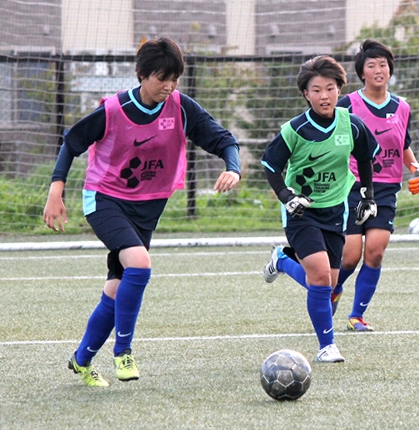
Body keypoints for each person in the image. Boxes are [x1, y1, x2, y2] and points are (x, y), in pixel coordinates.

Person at [43, 37, 241, 387]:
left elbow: (223, 139)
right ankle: (123, 352)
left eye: (175, 78)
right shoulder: (113, 109)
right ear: (142, 74)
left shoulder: (180, 107)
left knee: (117, 289)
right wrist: (56, 189)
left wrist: (233, 167)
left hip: (148, 207)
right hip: (104, 199)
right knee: (140, 262)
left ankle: (82, 360)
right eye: (162, 78)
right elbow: (72, 141)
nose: (169, 86)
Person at [261, 55, 379, 363]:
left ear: (340, 89)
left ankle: (282, 260)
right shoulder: (294, 129)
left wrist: (368, 195)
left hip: (335, 211)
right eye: (316, 90)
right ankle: (327, 346)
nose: (323, 95)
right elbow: (270, 165)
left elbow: (365, 159)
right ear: (305, 94)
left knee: (329, 282)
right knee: (321, 275)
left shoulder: (351, 124)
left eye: (329, 88)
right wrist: (287, 195)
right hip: (302, 212)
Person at [332, 39, 419, 332]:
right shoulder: (348, 104)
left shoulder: (402, 107)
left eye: (383, 65)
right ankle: (333, 288)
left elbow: (403, 145)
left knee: (375, 251)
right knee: (350, 254)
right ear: (362, 72)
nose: (378, 70)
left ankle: (356, 316)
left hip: (385, 188)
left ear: (390, 70)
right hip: (351, 185)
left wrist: (416, 167)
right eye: (371, 65)